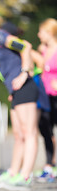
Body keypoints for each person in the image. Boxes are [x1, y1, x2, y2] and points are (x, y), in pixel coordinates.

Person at [0, 14, 39, 191]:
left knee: (29, 133)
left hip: (25, 88)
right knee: (19, 134)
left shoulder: (0, 36)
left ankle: (25, 176)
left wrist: (24, 73)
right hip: (15, 91)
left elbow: (26, 46)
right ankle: (14, 173)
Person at [33, 18, 57, 180]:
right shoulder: (42, 49)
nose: (38, 34)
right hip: (43, 95)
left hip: (55, 95)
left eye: (41, 31)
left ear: (49, 32)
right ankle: (49, 164)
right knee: (45, 129)